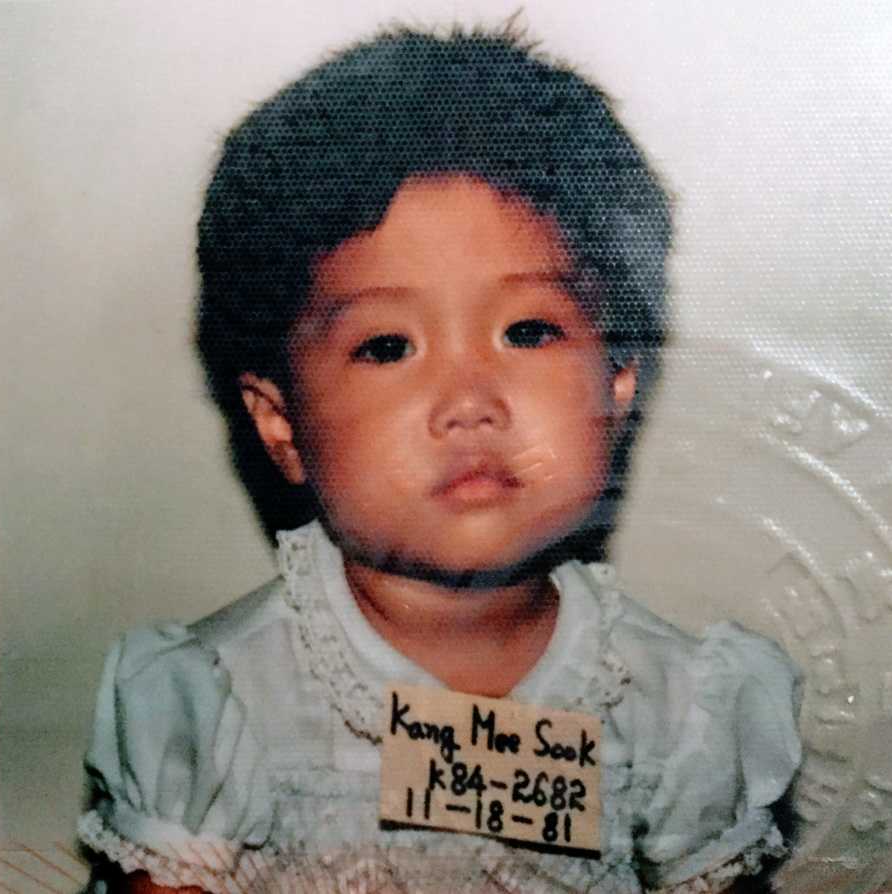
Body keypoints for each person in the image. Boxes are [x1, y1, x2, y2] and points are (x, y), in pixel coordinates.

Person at [78, 24, 803, 894]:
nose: (469, 402)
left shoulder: (685, 706)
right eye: (387, 346)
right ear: (280, 424)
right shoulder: (215, 699)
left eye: (527, 330)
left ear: (616, 382)